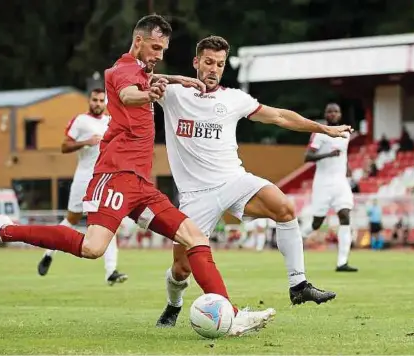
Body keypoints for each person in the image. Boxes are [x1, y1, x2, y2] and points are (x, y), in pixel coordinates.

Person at [0, 15, 273, 336]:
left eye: (163, 49)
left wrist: (175, 79)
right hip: (115, 174)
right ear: (138, 41)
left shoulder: (140, 70)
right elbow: (127, 94)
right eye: (154, 47)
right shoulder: (123, 71)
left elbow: (145, 77)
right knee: (92, 248)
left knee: (195, 238)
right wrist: (149, 94)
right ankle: (3, 231)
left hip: (140, 183)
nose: (158, 55)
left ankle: (233, 316)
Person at [153, 35, 341, 327]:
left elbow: (278, 116)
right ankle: (173, 304)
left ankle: (298, 286)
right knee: (180, 269)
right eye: (208, 62)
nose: (214, 69)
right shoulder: (174, 93)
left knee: (285, 209)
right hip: (194, 196)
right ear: (196, 63)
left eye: (219, 64)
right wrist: (172, 78)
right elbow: (127, 75)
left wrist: (322, 129)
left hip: (233, 180)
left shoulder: (235, 99)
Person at [36, 88, 128, 285]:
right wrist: (87, 141)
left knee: (110, 222)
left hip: (104, 180)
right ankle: (48, 253)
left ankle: (111, 270)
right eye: (94, 100)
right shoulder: (80, 121)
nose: (97, 103)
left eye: (101, 100)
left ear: (105, 102)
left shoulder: (110, 121)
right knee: (71, 219)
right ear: (89, 101)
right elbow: (64, 146)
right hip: (83, 179)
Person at [302, 103, 358, 272]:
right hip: (323, 183)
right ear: (325, 114)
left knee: (345, 216)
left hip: (341, 182)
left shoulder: (345, 133)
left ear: (340, 114)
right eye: (330, 111)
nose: (333, 114)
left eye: (336, 111)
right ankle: (298, 236)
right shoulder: (320, 133)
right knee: (317, 223)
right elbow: (307, 157)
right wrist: (328, 154)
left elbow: (344, 153)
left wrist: (347, 167)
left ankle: (342, 262)